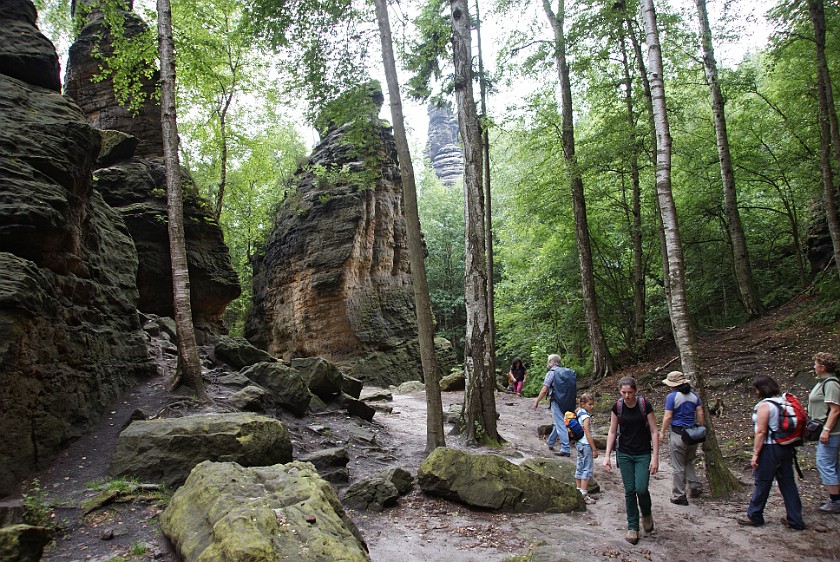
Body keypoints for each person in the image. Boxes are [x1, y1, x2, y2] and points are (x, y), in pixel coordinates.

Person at [736, 374, 805, 530]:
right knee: (788, 483)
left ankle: (754, 515)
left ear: (761, 389)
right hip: (786, 447)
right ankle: (796, 519)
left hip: (769, 448)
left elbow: (761, 431)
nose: (755, 392)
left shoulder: (765, 406)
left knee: (762, 482)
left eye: (755, 389)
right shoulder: (785, 401)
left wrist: (755, 454)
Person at [603, 376, 658, 545]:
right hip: (624, 453)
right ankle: (633, 526)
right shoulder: (617, 407)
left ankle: (646, 513)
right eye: (623, 392)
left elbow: (654, 431)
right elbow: (612, 432)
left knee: (641, 489)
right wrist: (607, 456)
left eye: (630, 392)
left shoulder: (644, 405)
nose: (627, 396)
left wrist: (655, 458)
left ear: (635, 391)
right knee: (629, 490)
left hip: (642, 453)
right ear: (620, 391)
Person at [658, 370, 704, 505]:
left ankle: (679, 495)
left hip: (678, 434)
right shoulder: (694, 396)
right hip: (693, 434)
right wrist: (701, 428)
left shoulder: (672, 397)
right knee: (689, 460)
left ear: (672, 385)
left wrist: (662, 432)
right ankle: (694, 484)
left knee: (678, 465)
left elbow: (668, 416)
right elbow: (700, 413)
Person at [808, 352, 840, 514]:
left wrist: (826, 430)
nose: (813, 366)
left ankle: (835, 501)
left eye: (816, 364)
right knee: (832, 464)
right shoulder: (823, 382)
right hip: (827, 430)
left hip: (832, 432)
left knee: (824, 463)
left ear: (822, 367)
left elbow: (835, 410)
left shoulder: (831, 384)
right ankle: (836, 497)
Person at [533, 354, 576, 457]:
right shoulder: (567, 372)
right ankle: (551, 442)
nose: (547, 363)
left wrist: (537, 401)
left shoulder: (551, 373)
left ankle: (565, 449)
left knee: (560, 424)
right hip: (568, 401)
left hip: (556, 401)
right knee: (559, 422)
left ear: (551, 362)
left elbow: (545, 389)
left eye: (548, 361)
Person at [575, 392, 599, 504]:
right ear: (583, 404)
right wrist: (594, 449)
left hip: (579, 443)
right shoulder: (586, 417)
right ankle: (584, 494)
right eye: (590, 404)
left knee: (579, 466)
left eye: (593, 404)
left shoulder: (578, 413)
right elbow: (588, 434)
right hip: (586, 444)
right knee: (587, 468)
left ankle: (578, 490)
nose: (592, 407)